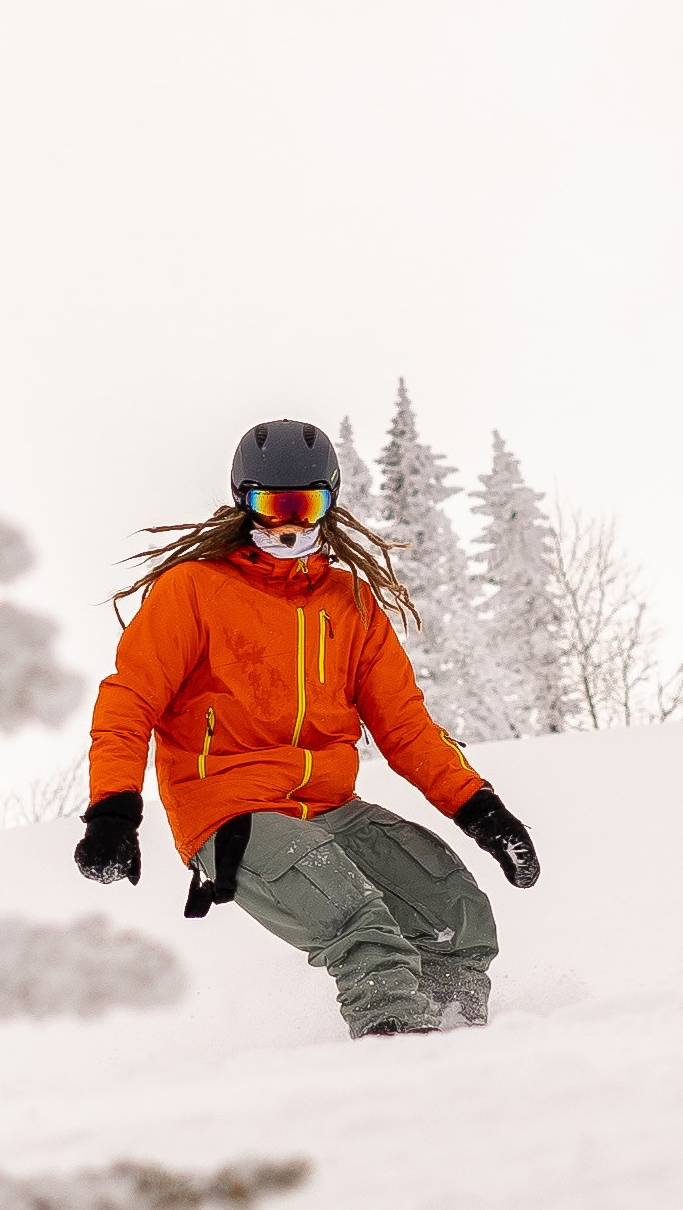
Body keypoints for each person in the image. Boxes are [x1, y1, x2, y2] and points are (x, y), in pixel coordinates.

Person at [74, 418, 541, 1038]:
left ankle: (459, 1039)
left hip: (329, 807)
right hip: (229, 809)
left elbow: (405, 726)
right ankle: (401, 1056)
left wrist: (480, 809)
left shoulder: (350, 604)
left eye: (305, 505)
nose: (288, 525)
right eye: (273, 506)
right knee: (362, 928)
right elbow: (129, 700)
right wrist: (112, 810)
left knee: (454, 914)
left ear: (330, 504)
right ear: (245, 503)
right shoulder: (194, 590)